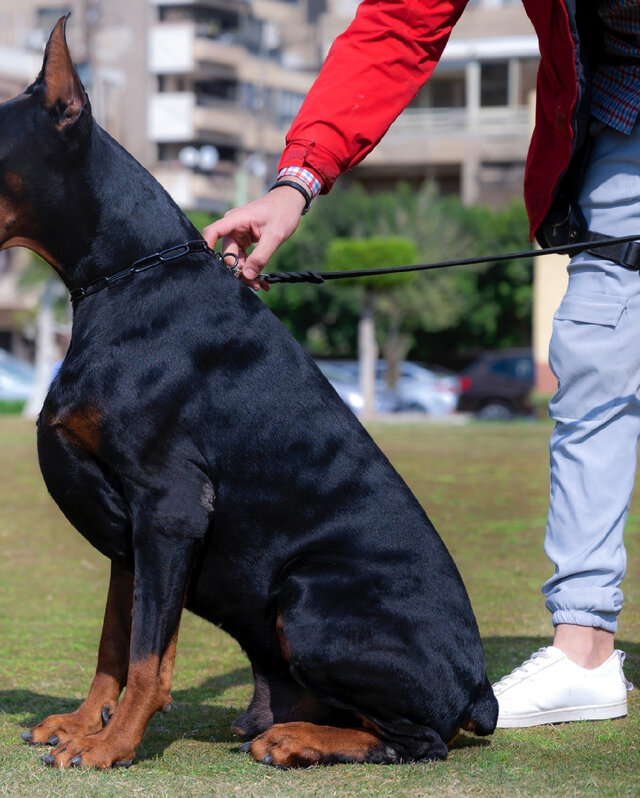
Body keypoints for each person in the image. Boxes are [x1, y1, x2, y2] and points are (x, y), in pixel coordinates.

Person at [204, 0, 634, 727]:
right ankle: (584, 646)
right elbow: (400, 24)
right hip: (627, 117)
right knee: (595, 350)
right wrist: (294, 183)